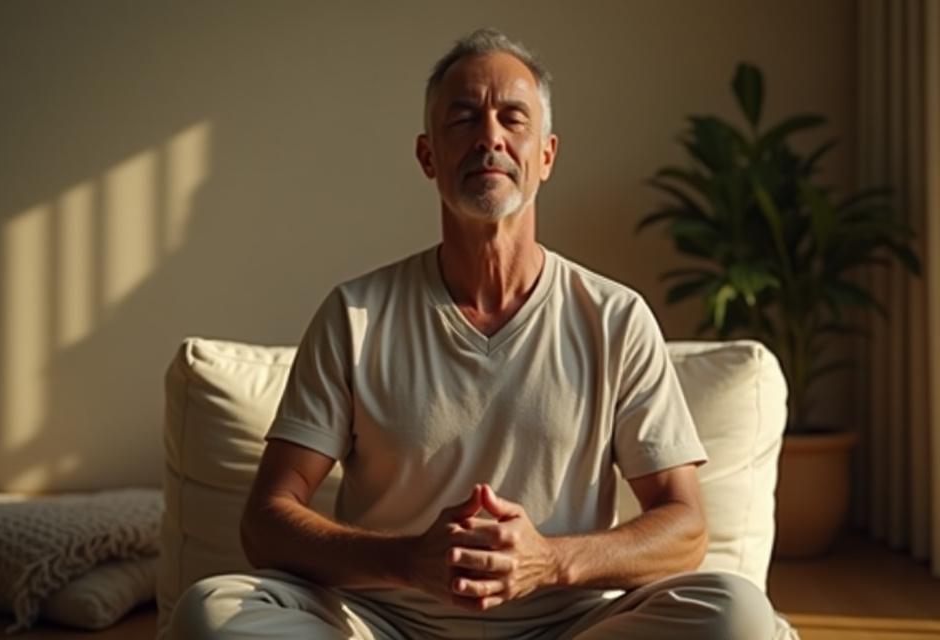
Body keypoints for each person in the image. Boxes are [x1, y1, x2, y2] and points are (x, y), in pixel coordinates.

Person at [168, 28, 793, 639]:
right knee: (211, 613)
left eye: (513, 119)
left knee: (733, 610)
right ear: (428, 156)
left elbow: (685, 527)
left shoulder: (615, 317)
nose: (490, 136)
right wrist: (407, 560)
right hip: (382, 625)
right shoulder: (354, 314)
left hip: (571, 626)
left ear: (545, 156)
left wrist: (549, 560)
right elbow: (266, 522)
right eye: (463, 118)